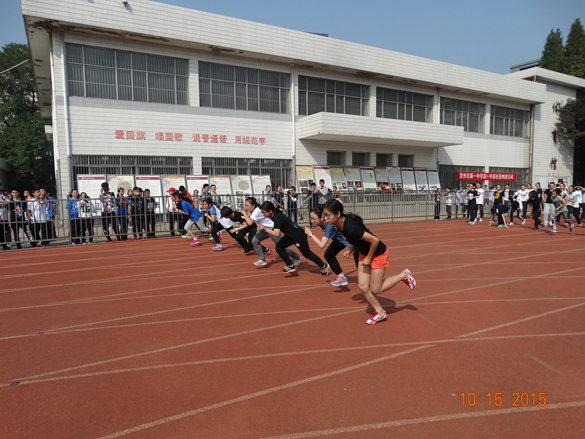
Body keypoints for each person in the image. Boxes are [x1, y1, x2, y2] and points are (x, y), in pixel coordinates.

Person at [322, 199, 416, 325]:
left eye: (328, 215)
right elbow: (356, 239)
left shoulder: (350, 228)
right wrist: (352, 248)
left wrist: (369, 258)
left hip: (378, 253)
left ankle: (403, 275)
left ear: (338, 214)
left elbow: (375, 241)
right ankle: (380, 312)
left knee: (376, 289)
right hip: (364, 252)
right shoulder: (340, 225)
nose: (325, 218)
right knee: (363, 286)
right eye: (324, 215)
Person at [259, 201, 327, 274]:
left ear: (270, 211)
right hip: (290, 235)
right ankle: (290, 265)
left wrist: (265, 228)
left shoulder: (277, 217)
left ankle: (323, 265)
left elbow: (276, 234)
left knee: (307, 254)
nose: (263, 214)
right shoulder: (274, 216)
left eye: (264, 212)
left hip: (298, 236)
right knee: (279, 248)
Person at [242, 196, 300, 267]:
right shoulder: (252, 212)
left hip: (272, 229)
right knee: (254, 241)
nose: (246, 207)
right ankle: (262, 259)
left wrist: (245, 214)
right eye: (245, 205)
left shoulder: (257, 211)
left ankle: (296, 257)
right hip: (264, 229)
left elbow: (250, 223)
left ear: (253, 205)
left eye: (247, 205)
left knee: (282, 246)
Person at [306, 207, 352, 286]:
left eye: (314, 219)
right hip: (338, 241)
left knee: (363, 261)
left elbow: (321, 245)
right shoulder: (322, 224)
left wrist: (310, 234)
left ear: (321, 218)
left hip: (352, 243)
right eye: (311, 218)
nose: (312, 221)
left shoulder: (330, 225)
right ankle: (341, 277)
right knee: (328, 255)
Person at [0, 183, 11, 250]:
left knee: (3, 231)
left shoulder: (4, 195)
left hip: (4, 216)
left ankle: (4, 245)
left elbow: (8, 202)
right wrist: (3, 204)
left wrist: (4, 204)